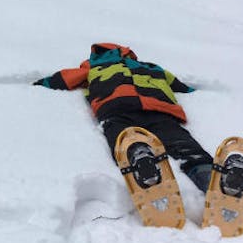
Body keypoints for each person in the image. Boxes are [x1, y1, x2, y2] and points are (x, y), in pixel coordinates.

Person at [32, 42, 218, 193]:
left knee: (123, 138)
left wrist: (39, 83)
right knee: (180, 141)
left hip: (117, 108)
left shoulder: (93, 68)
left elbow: (61, 80)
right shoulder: (151, 67)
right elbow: (180, 86)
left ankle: (139, 159)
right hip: (160, 109)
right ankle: (208, 174)